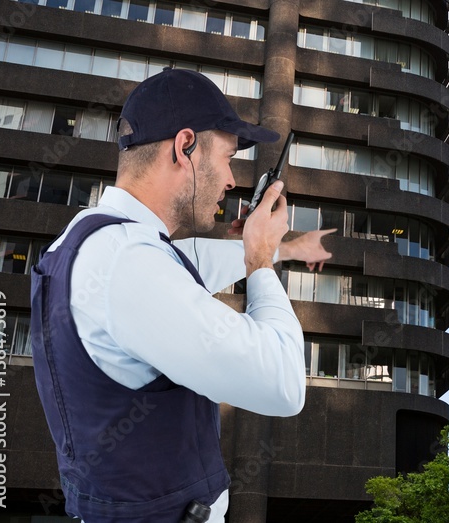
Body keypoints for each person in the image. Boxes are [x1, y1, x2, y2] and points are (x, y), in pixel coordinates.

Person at [29, 68, 333, 522]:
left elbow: (188, 264)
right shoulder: (129, 262)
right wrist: (261, 265)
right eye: (229, 157)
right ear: (184, 145)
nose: (231, 181)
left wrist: (269, 247)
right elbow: (284, 386)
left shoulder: (90, 238)